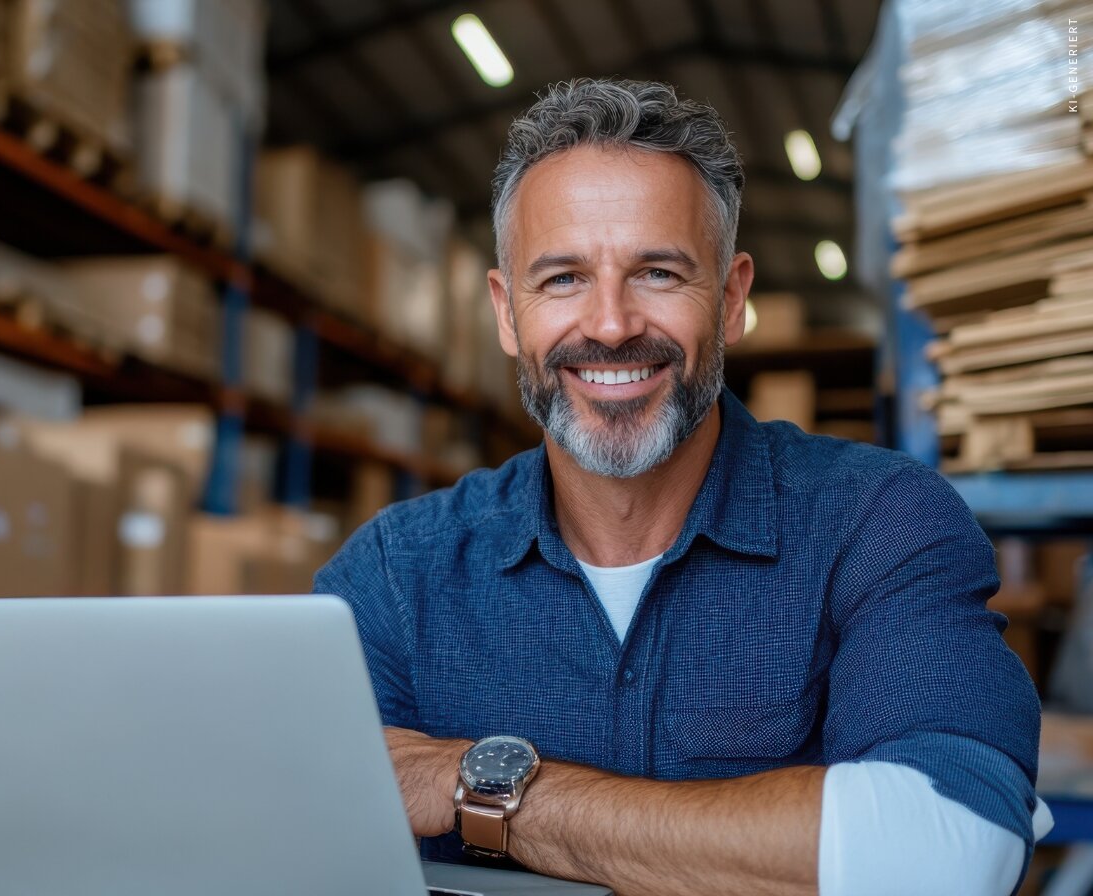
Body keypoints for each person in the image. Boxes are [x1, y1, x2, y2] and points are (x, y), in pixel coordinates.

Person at [314, 79, 1047, 896]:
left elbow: (950, 855)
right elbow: (286, 827)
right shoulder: (394, 575)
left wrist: (481, 785)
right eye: (561, 280)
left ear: (731, 299)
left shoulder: (879, 524)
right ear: (506, 311)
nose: (612, 324)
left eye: (658, 272)